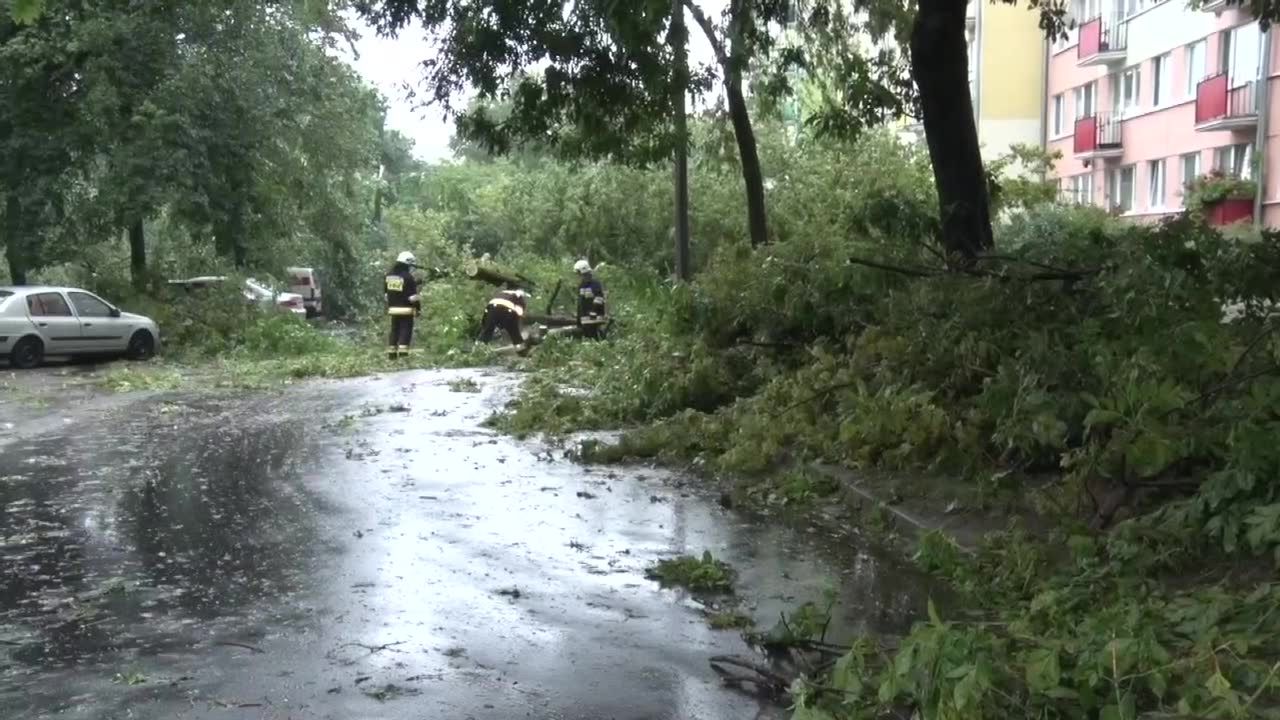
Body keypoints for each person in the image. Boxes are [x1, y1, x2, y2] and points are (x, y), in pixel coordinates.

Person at [384, 251, 421, 359]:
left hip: (393, 309)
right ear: (407, 263)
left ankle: (392, 354)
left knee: (394, 330)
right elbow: (413, 297)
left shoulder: (389, 276)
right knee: (405, 330)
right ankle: (403, 355)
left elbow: (386, 294)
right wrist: (418, 308)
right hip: (406, 309)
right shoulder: (408, 277)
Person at [479, 285, 529, 350]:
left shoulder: (501, 293)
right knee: (513, 329)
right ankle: (521, 348)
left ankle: (480, 347)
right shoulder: (519, 297)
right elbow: (518, 313)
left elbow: (485, 318)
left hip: (491, 308)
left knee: (488, 329)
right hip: (507, 310)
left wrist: (485, 325)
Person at [573, 259, 607, 339]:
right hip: (585, 320)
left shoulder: (595, 285)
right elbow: (580, 304)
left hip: (594, 320)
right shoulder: (581, 286)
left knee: (595, 339)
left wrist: (593, 312)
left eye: (579, 274)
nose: (578, 276)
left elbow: (599, 299)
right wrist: (578, 320)